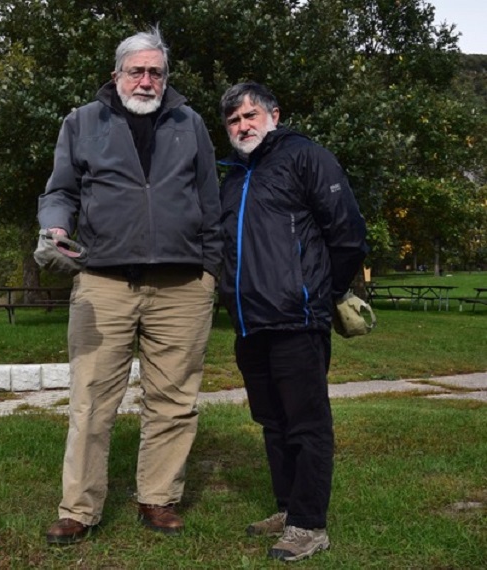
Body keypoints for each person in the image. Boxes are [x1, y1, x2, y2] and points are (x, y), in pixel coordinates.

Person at [38, 27, 222, 545]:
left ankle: (158, 499)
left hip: (182, 285)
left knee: (174, 401)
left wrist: (210, 270)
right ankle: (79, 508)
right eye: (136, 71)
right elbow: (60, 192)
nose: (146, 81)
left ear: (166, 77)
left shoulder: (191, 123)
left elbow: (211, 201)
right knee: (92, 400)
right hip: (104, 283)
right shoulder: (82, 122)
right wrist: (55, 228)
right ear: (117, 74)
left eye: (156, 72)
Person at [218, 82, 367, 563]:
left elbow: (347, 234)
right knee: (271, 422)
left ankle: (310, 525)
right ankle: (287, 510)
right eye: (233, 121)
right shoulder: (234, 179)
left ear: (274, 115)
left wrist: (322, 295)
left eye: (250, 116)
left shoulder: (306, 157)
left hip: (297, 320)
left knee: (306, 425)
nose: (242, 126)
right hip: (249, 323)